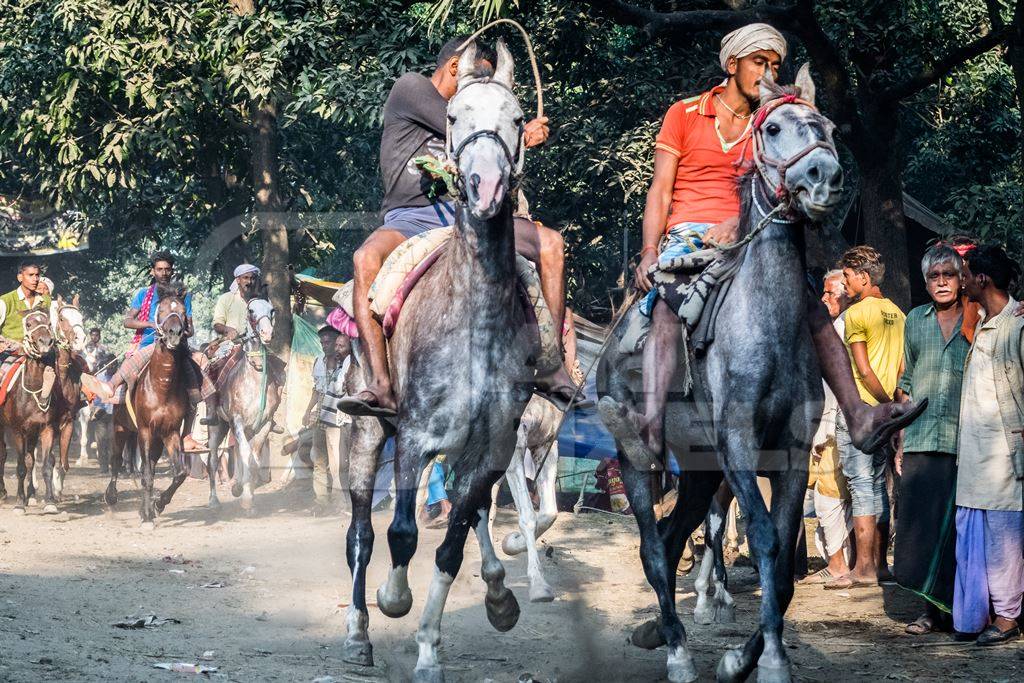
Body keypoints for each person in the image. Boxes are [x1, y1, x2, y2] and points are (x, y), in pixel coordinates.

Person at [630, 23, 922, 462]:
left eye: (775, 64)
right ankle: (651, 425)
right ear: (732, 64)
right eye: (759, 62)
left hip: (754, 233)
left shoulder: (775, 121)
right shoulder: (684, 113)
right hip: (689, 233)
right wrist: (651, 249)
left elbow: (782, 185)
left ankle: (859, 414)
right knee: (670, 303)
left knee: (812, 309)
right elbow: (661, 190)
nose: (768, 72)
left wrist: (738, 220)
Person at [339, 36, 579, 418]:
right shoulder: (411, 88)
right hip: (410, 219)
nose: (484, 90)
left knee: (551, 245)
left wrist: (518, 134)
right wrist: (519, 130)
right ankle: (381, 384)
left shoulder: (478, 112)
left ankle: (550, 367)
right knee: (365, 257)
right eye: (478, 79)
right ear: (456, 68)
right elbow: (470, 124)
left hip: (474, 217)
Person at [893, 244, 971, 632]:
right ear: (925, 283)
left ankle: (959, 610)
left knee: (957, 529)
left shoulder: (977, 317)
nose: (941, 282)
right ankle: (927, 611)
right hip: (922, 436)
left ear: (961, 279)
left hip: (964, 439)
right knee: (918, 527)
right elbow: (905, 382)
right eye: (934, 277)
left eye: (948, 275)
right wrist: (901, 438)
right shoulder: (914, 319)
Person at [952, 244, 1024, 646]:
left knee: (1003, 540)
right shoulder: (982, 321)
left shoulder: (1016, 324)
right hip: (976, 456)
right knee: (974, 536)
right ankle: (980, 615)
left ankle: (1008, 617)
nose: (961, 280)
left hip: (1003, 457)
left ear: (981, 279)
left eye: (965, 273)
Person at [833, 245, 905, 588]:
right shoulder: (897, 312)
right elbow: (902, 368)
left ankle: (863, 568)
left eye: (847, 276)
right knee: (879, 486)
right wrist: (893, 407)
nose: (845, 283)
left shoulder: (855, 315)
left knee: (862, 486)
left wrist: (879, 404)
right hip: (886, 412)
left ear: (863, 277)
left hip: (860, 411)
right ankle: (881, 567)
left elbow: (862, 370)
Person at [104, 251, 214, 452]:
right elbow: (127, 321)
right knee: (133, 365)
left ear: (172, 271)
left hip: (176, 345)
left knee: (198, 380)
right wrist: (153, 325)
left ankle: (187, 434)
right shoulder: (143, 294)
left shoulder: (183, 296)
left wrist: (179, 331)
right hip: (150, 343)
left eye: (167, 269)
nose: (163, 273)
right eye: (159, 269)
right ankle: (111, 389)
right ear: (153, 271)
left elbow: (191, 328)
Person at [803, 270, 853, 588]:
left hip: (834, 422)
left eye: (830, 293)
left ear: (847, 293)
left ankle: (838, 566)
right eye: (823, 293)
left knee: (828, 496)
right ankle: (842, 561)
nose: (824, 298)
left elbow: (838, 386)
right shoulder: (836, 325)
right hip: (833, 419)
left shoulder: (842, 327)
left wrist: (824, 431)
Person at [305, 325, 352, 512]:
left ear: (336, 343)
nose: (324, 345)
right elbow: (316, 389)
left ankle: (340, 500)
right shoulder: (318, 362)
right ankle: (321, 499)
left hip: (337, 417)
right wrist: (308, 410)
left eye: (328, 342)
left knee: (337, 462)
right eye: (322, 342)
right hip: (320, 415)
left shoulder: (345, 364)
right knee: (319, 458)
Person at [0, 262, 55, 396]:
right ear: (20, 277)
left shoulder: (46, 301)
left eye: (37, 275)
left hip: (43, 355)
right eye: (30, 275)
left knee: (69, 375)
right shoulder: (5, 301)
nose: (35, 279)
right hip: (12, 355)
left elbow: (54, 327)